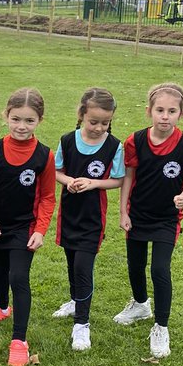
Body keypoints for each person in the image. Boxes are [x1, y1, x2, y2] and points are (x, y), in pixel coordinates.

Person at [114, 82, 183, 358]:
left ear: (181, 114)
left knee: (160, 269)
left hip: (167, 218)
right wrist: (123, 211)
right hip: (138, 215)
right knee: (135, 265)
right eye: (160, 110)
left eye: (172, 111)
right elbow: (128, 176)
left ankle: (161, 327)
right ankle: (141, 305)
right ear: (149, 111)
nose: (165, 116)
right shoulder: (135, 141)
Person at [0, 87, 56, 366]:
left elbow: (47, 197)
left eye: (29, 120)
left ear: (39, 121)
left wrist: (40, 230)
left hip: (26, 228)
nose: (22, 126)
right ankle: (1, 308)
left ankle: (19, 341)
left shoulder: (44, 156)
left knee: (18, 277)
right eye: (16, 119)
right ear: (6, 116)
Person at [52, 88, 124, 351]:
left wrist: (94, 183)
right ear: (81, 114)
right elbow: (55, 171)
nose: (99, 128)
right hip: (69, 215)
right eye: (94, 122)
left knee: (83, 267)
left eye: (105, 123)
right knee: (72, 262)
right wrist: (69, 180)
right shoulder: (67, 141)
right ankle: (75, 301)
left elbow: (118, 179)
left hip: (93, 219)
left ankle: (81, 324)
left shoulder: (114, 146)